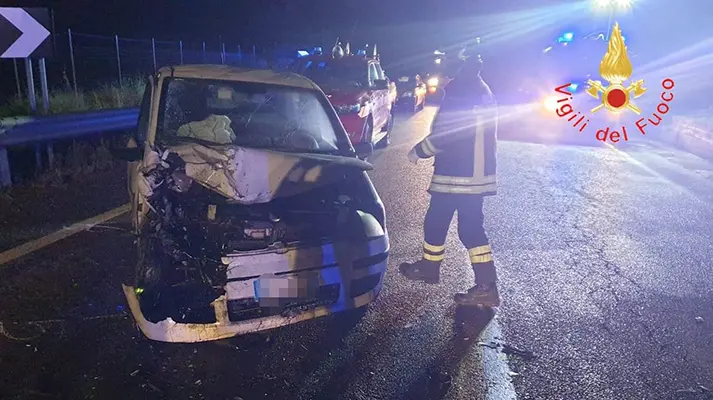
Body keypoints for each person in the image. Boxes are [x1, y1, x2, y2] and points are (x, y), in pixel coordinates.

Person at [399, 50, 500, 307]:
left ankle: (485, 287)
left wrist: (419, 151)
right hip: (471, 173)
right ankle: (432, 269)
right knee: (441, 221)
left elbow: (449, 133)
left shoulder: (460, 91)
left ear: (452, 72)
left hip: (459, 173)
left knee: (465, 228)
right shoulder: (477, 87)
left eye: (441, 74)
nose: (438, 81)